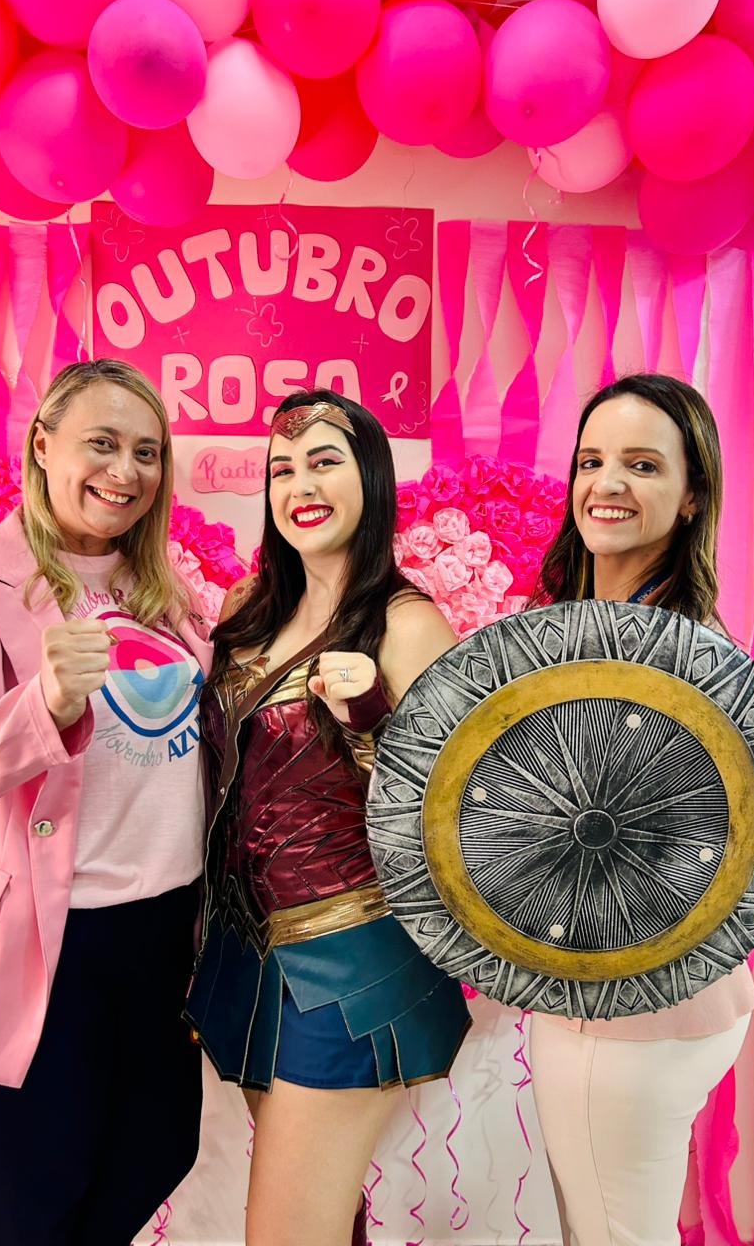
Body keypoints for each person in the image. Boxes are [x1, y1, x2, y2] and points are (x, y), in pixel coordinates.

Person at [0, 359, 211, 1245]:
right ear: (44, 445)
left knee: (160, 1149)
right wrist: (43, 706)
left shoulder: (168, 590)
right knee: (37, 1206)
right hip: (34, 947)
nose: (126, 470)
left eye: (147, 452)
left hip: (159, 936)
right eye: (103, 443)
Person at [185, 390, 471, 1246]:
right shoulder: (246, 609)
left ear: (370, 476)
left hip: (354, 963)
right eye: (282, 469)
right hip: (243, 953)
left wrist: (374, 719)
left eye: (323, 461)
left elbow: (458, 816)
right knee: (325, 1220)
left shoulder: (408, 623)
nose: (300, 485)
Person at [526, 373, 754, 1246]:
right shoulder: (591, 626)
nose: (607, 483)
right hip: (652, 1009)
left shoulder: (671, 656)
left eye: (643, 465)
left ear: (693, 496)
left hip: (625, 1018)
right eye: (591, 461)